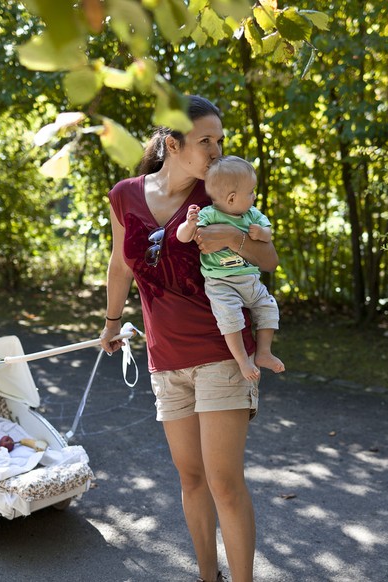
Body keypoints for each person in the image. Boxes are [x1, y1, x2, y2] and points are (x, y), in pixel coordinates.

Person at [99, 96, 278, 582]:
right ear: (172, 144)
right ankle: (207, 576)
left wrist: (232, 241)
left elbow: (269, 259)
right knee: (192, 479)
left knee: (223, 482)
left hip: (222, 353)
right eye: (206, 141)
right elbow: (120, 263)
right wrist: (113, 322)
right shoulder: (125, 195)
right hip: (165, 360)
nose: (217, 150)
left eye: (220, 140)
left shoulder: (217, 193)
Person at [176, 155, 285, 381]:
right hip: (221, 283)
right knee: (231, 318)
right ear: (232, 198)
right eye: (251, 192)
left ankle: (264, 352)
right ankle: (243, 360)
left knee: (268, 307)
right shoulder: (208, 215)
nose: (254, 196)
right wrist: (189, 224)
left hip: (250, 281)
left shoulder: (251, 214)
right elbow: (182, 237)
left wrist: (261, 234)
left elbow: (268, 231)